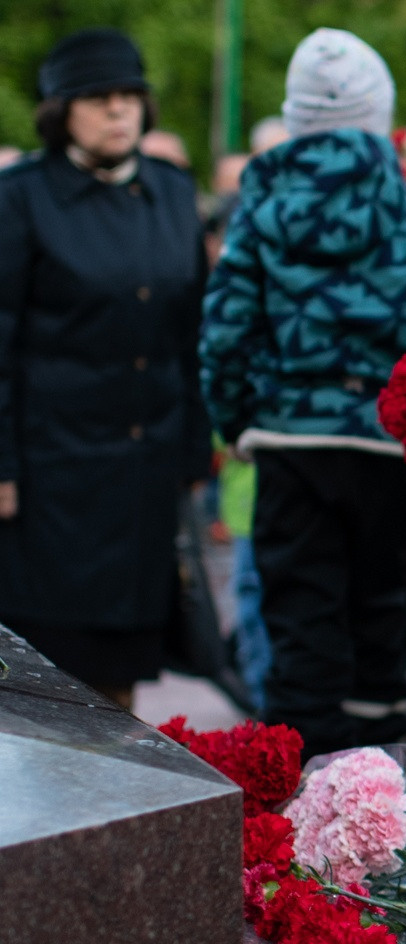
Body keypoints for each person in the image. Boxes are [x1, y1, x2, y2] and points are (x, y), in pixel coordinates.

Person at [200, 28, 406, 759]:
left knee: (299, 627)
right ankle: (381, 808)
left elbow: (225, 330)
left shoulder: (257, 209)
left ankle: (299, 816)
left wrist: (237, 422)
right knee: (381, 621)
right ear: (377, 114)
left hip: (290, 441)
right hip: (387, 442)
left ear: (297, 117)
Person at [0, 29, 210, 710]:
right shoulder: (21, 196)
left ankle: (120, 813)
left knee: (123, 665)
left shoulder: (173, 192)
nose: (118, 110)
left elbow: (191, 331)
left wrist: (192, 451)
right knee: (47, 674)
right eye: (97, 98)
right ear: (61, 110)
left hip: (145, 471)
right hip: (52, 475)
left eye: (129, 96)